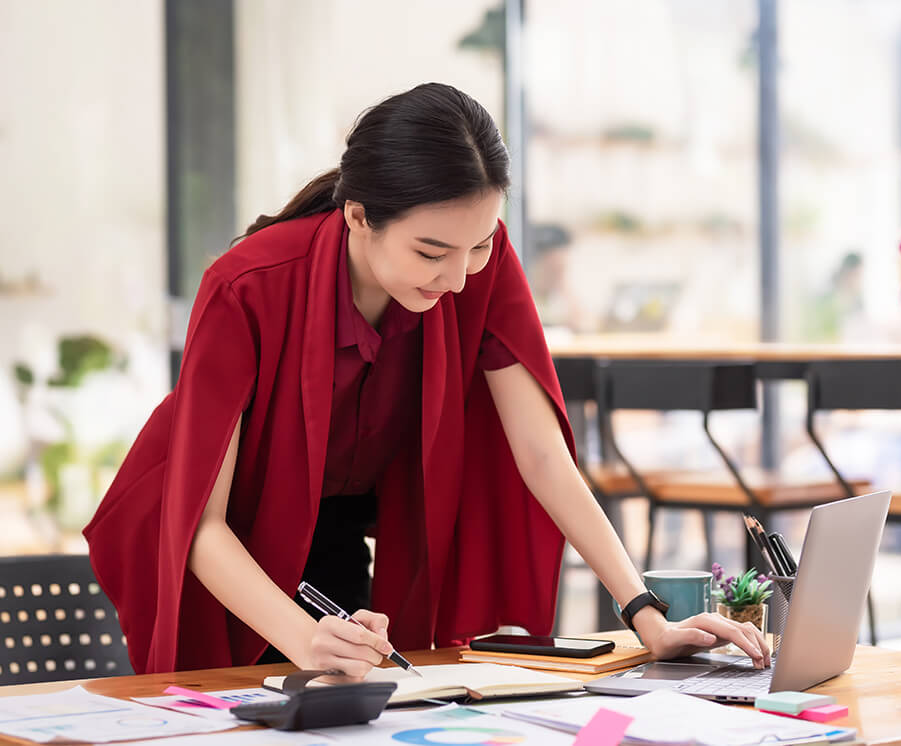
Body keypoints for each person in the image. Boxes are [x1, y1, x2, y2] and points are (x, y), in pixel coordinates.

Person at [83, 83, 770, 677]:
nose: (456, 278)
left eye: (479, 245)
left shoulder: (480, 265)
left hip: (340, 524)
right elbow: (200, 524)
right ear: (358, 217)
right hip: (226, 540)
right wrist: (302, 638)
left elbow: (542, 457)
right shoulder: (247, 286)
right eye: (431, 252)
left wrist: (645, 613)